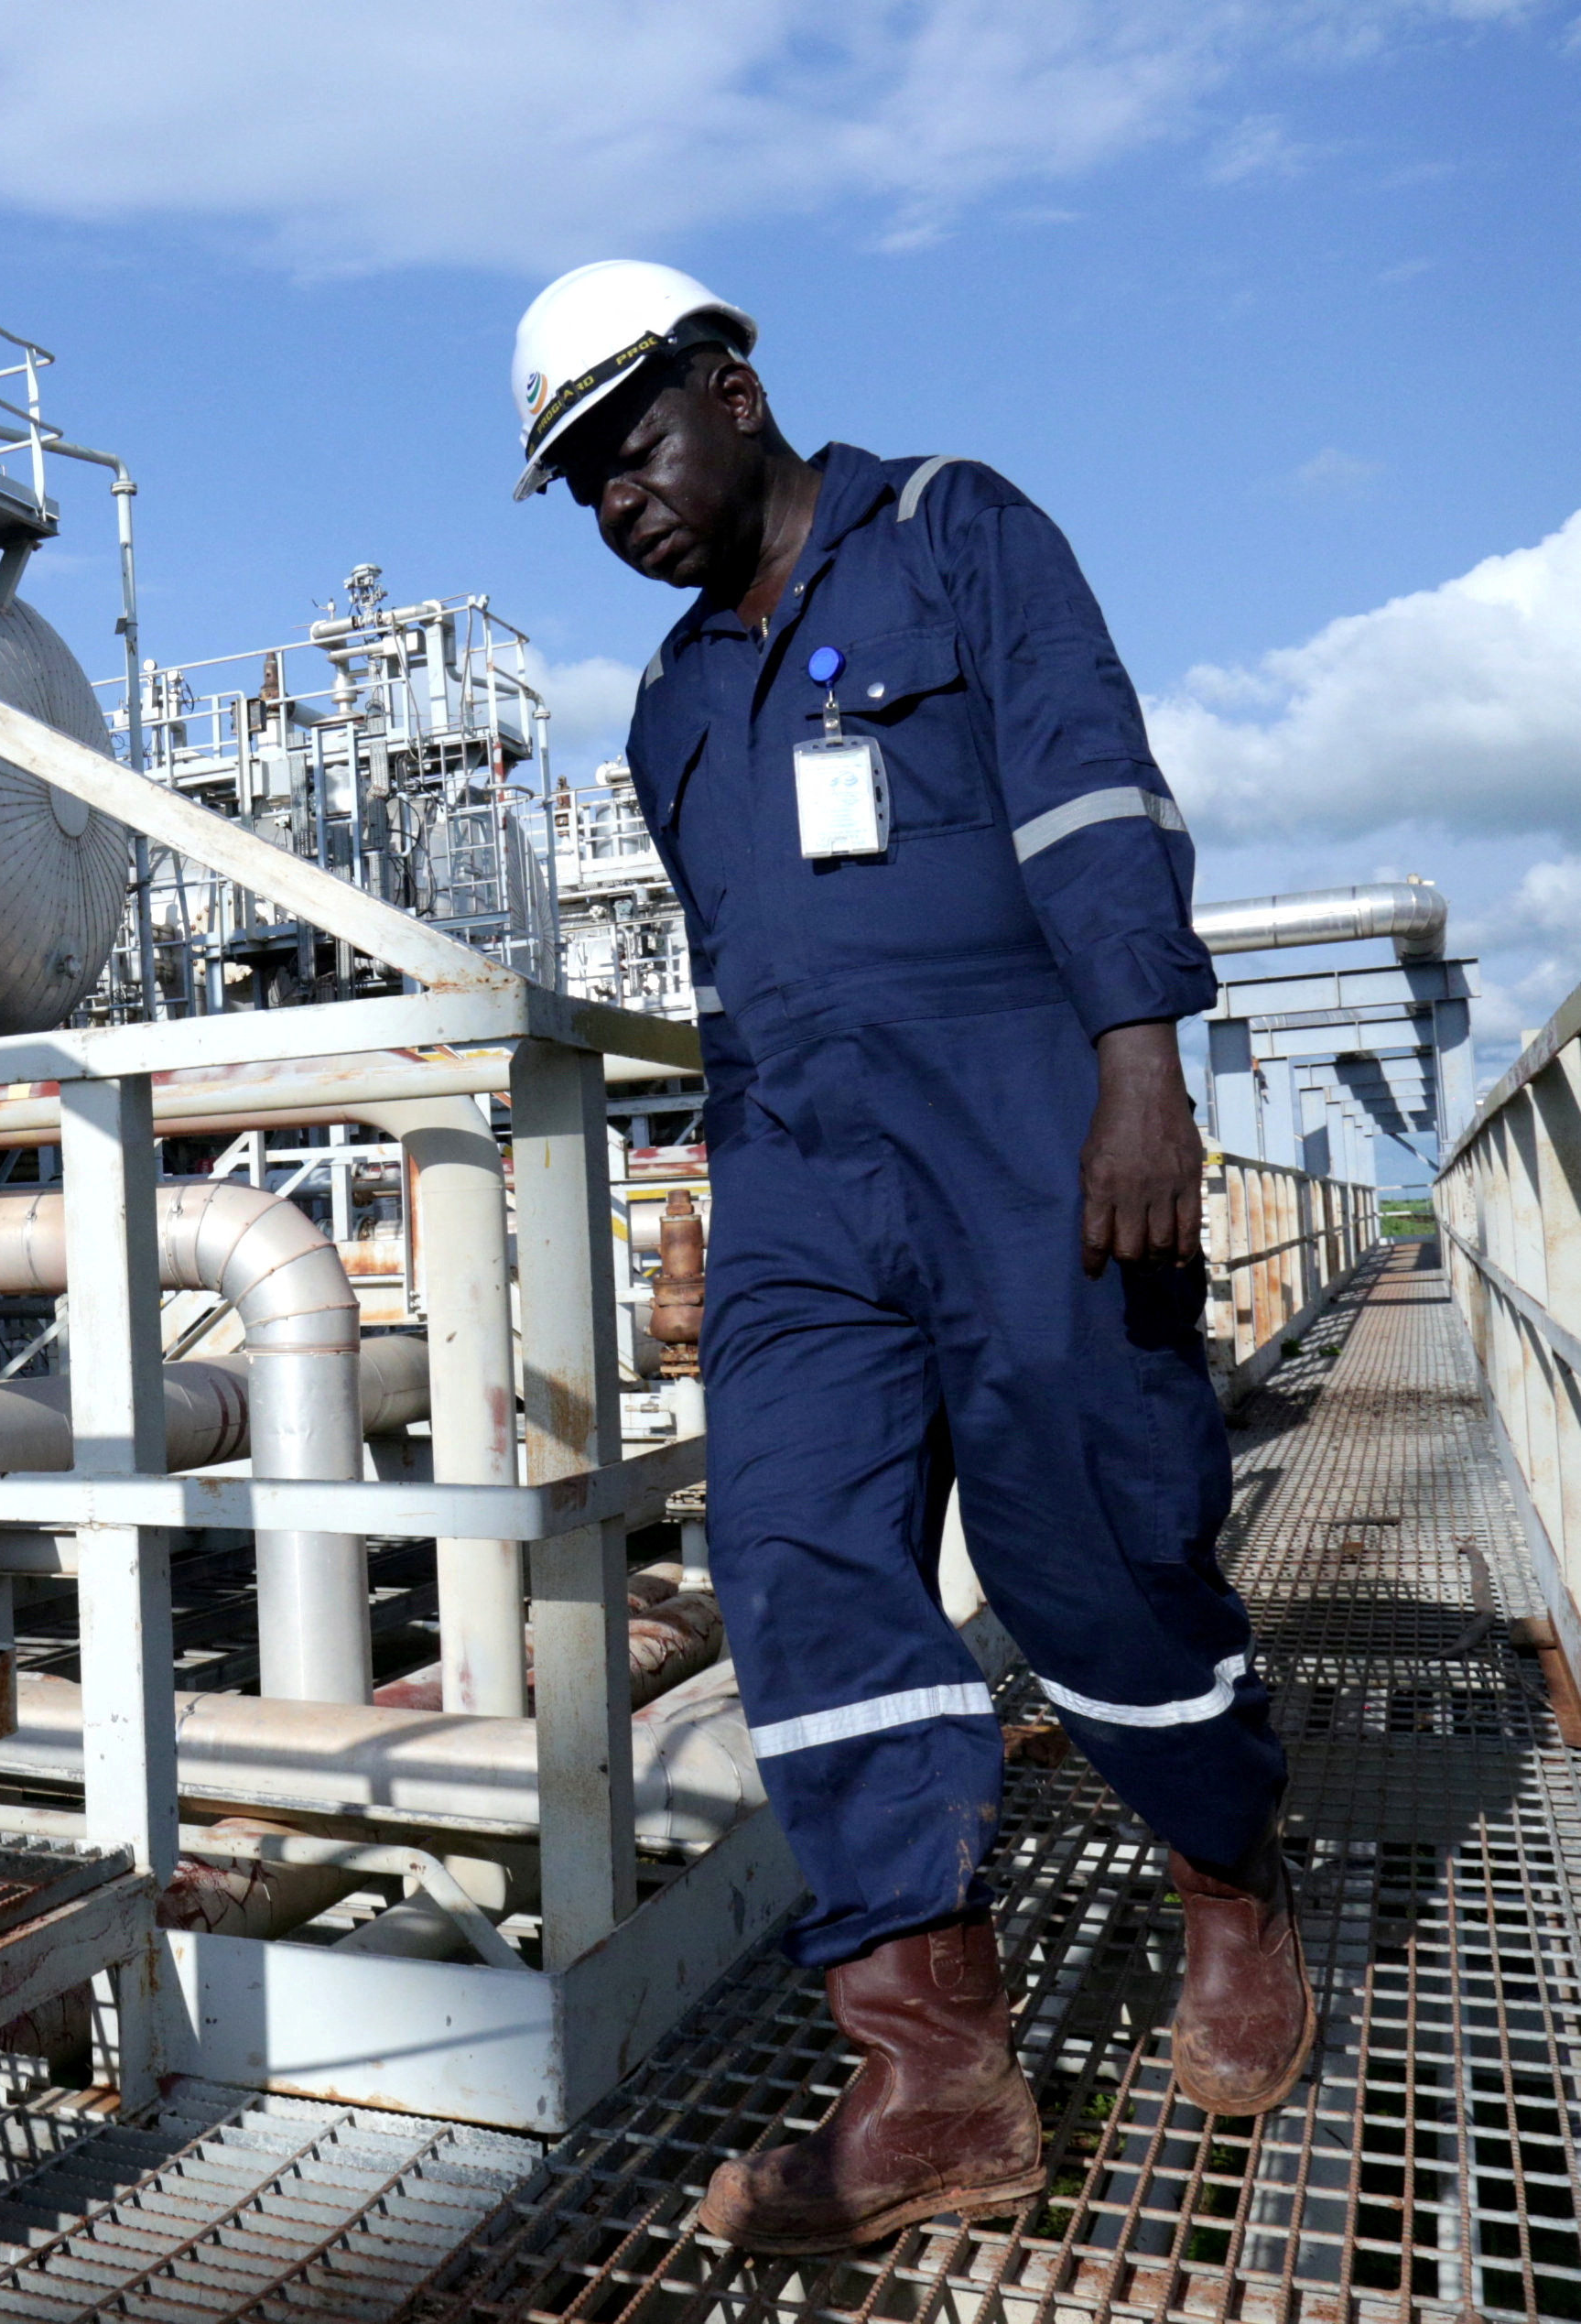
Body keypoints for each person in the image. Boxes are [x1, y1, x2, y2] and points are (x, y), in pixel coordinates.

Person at [508, 261, 1313, 2258]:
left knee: (1095, 1535)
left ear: (737, 385)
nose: (623, 499)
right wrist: (714, 1172)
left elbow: (1096, 794)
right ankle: (934, 2072)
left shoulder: (959, 529)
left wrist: (1144, 1067)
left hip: (1024, 1116)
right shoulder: (676, 695)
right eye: (583, 483)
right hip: (794, 1170)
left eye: (636, 443)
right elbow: (734, 966)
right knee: (794, 1561)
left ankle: (1227, 1879)